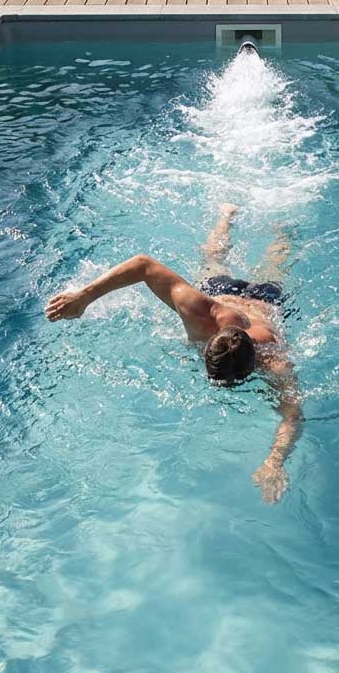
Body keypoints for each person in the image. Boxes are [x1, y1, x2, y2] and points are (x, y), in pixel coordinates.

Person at [45, 205, 302, 503]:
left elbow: (293, 414)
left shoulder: (273, 358)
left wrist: (274, 463)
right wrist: (83, 297)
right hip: (223, 291)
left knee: (276, 262)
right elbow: (143, 265)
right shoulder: (201, 312)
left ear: (255, 360)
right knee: (213, 259)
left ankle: (282, 227)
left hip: (265, 304)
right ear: (210, 343)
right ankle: (225, 215)